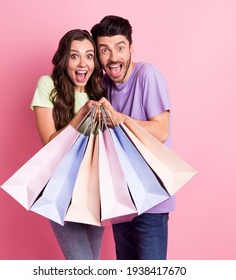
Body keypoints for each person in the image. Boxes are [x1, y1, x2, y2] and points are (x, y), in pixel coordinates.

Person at [91, 15, 175, 260]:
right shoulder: (104, 84)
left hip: (151, 200)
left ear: (131, 48)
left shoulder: (147, 75)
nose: (113, 57)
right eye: (104, 50)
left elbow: (161, 131)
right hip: (121, 199)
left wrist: (123, 119)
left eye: (120, 48)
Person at [30, 29, 106, 260]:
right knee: (82, 265)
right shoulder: (48, 85)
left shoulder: (100, 91)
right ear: (65, 59)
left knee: (92, 265)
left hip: (95, 190)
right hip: (61, 189)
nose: (82, 63)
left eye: (89, 56)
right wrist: (82, 113)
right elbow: (50, 144)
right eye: (74, 56)